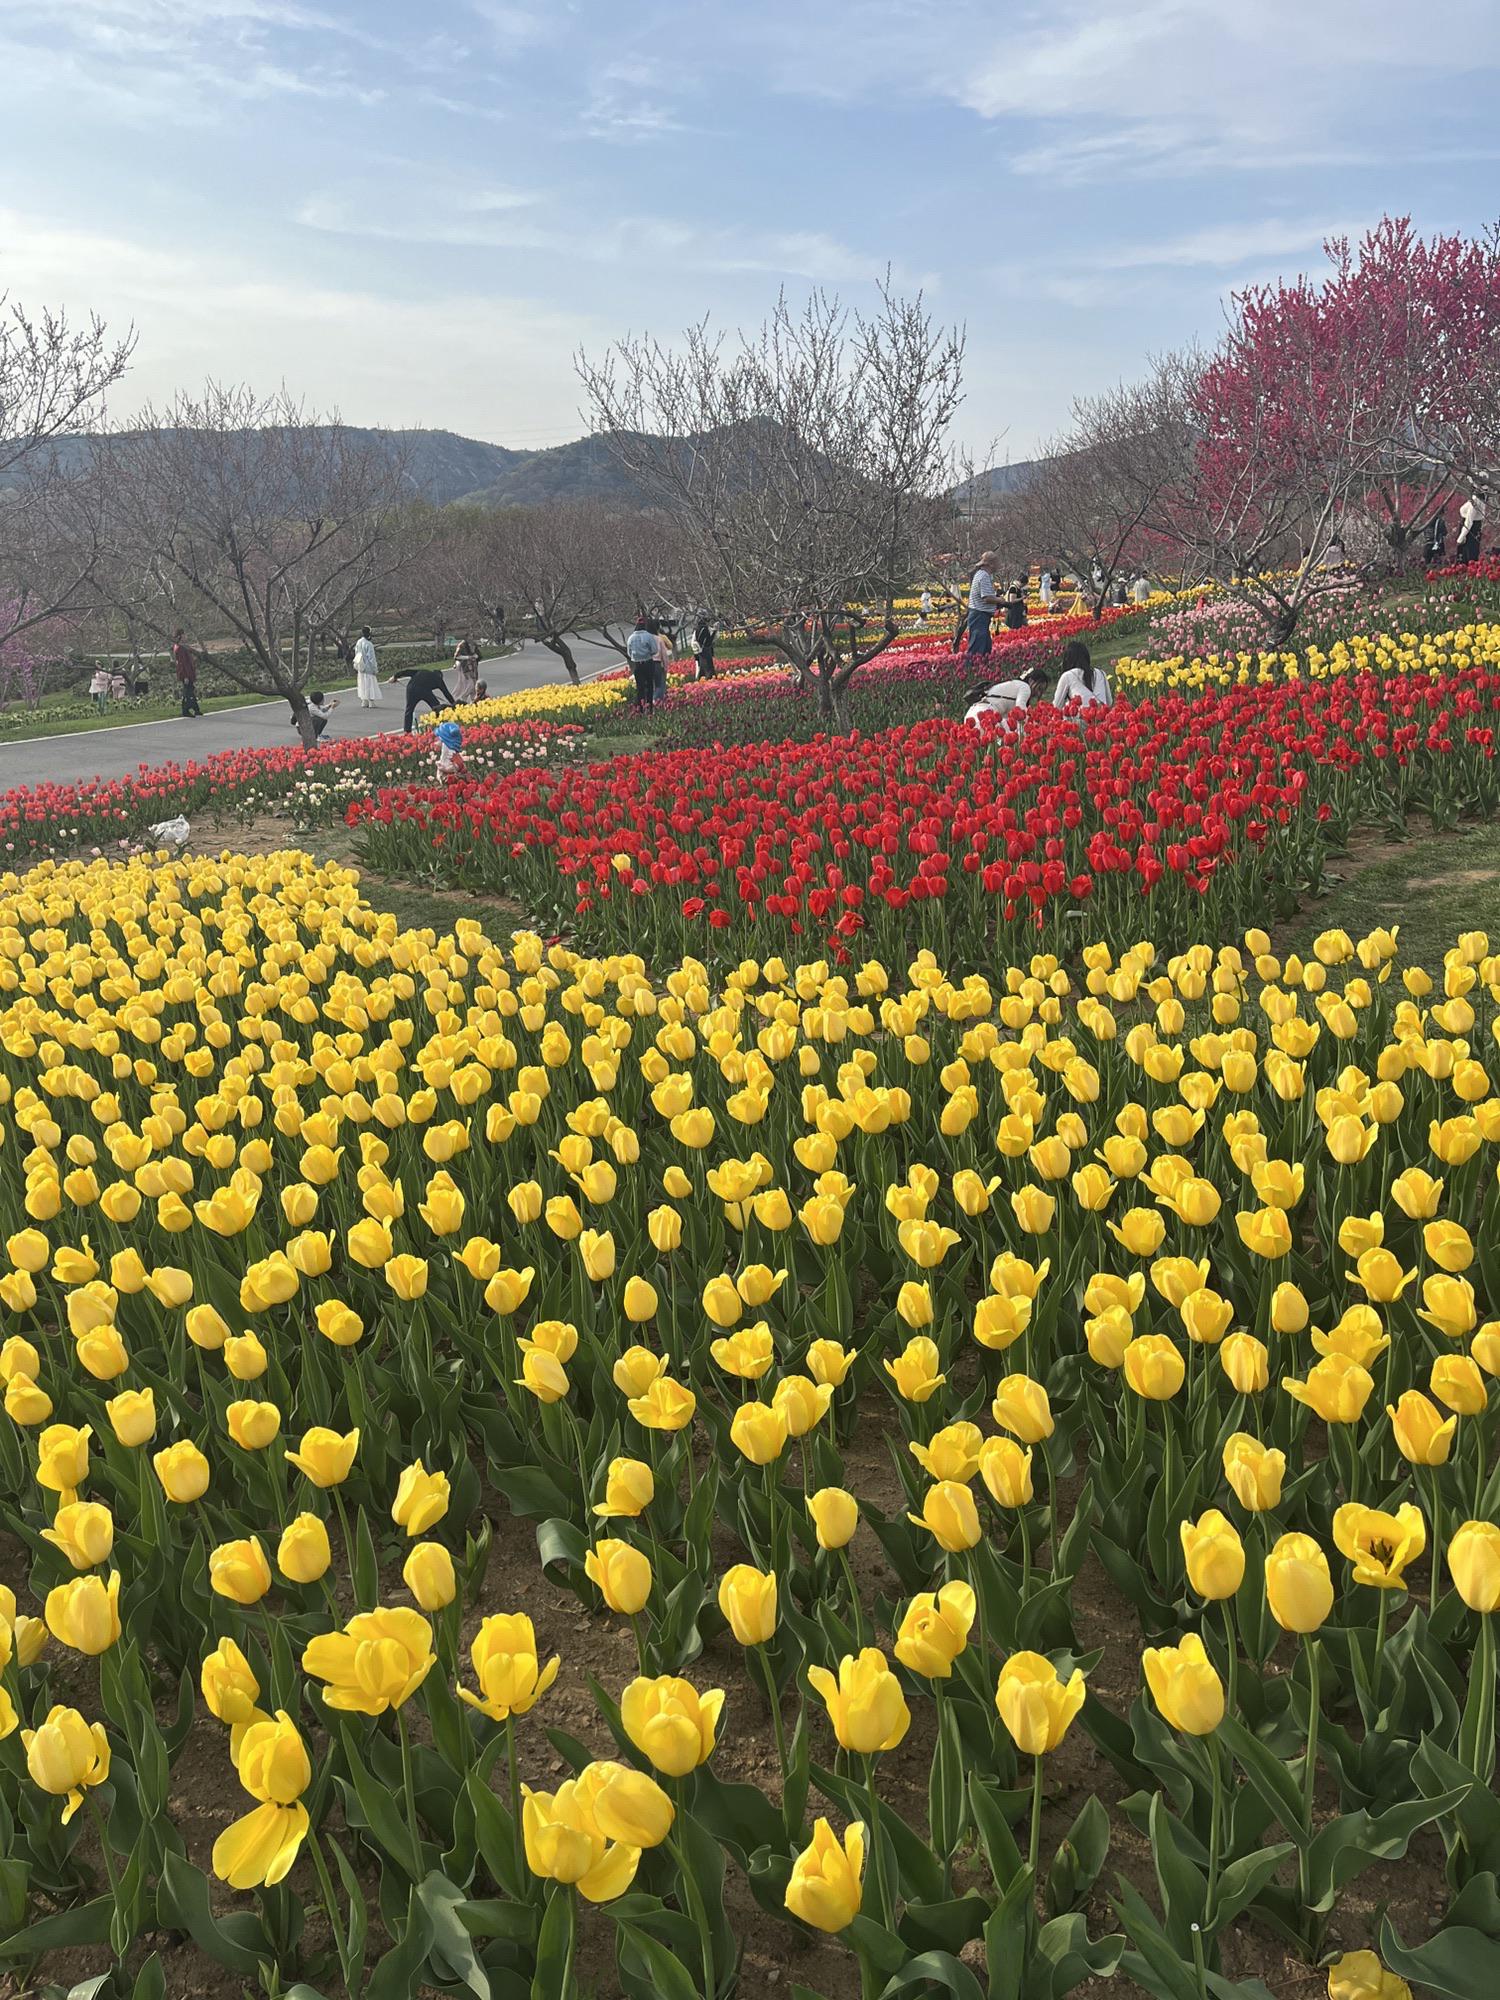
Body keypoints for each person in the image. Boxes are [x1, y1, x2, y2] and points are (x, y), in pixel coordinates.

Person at [964, 662, 1050, 727]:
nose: (1038, 693)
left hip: (972, 714)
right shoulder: (1025, 687)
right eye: (1039, 688)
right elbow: (1020, 709)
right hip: (986, 716)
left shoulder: (1013, 684)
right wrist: (1036, 724)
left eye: (1041, 691)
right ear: (1031, 680)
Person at [391, 662, 455, 732]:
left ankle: (407, 731)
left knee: (409, 710)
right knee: (436, 706)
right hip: (425, 691)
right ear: (440, 676)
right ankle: (439, 726)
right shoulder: (438, 679)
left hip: (411, 689)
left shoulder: (422, 671)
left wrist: (395, 676)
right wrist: (454, 705)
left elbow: (407, 672)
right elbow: (447, 694)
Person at [1051, 638, 1113, 710]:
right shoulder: (1101, 673)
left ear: (1067, 659)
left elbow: (1056, 707)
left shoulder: (1067, 676)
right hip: (1103, 717)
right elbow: (1109, 702)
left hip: (1079, 719)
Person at [967, 551, 1000, 657]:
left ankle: (979, 669)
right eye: (996, 562)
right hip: (979, 615)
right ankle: (972, 670)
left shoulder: (982, 574)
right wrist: (1001, 600)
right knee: (977, 649)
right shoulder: (984, 576)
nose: (998, 565)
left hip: (981, 615)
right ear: (990, 564)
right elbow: (986, 598)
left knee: (985, 648)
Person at [626, 616, 660, 711]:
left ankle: (640, 708)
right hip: (648, 663)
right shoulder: (648, 636)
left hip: (637, 665)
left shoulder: (631, 638)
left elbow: (629, 653)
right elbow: (654, 650)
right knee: (649, 686)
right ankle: (649, 707)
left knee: (640, 687)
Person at [172, 629, 201, 717]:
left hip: (189, 672)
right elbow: (182, 663)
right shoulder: (180, 648)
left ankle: (196, 709)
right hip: (186, 673)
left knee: (190, 690)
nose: (186, 636)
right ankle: (185, 710)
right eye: (184, 635)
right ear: (180, 636)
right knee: (187, 692)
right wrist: (185, 676)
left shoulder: (181, 647)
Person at [353, 627, 381, 707]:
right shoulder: (369, 644)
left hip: (361, 667)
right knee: (370, 684)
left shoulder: (359, 642)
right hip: (368, 668)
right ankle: (371, 702)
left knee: (362, 684)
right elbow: (372, 658)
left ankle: (364, 701)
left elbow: (356, 653)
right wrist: (375, 669)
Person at [1457, 490, 1487, 565]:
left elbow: (1469, 521)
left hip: (1470, 530)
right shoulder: (1480, 499)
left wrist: (1461, 537)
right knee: (1473, 552)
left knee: (1468, 555)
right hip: (1475, 528)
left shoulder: (1476, 500)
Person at [452, 635, 480, 705]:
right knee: (469, 685)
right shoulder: (461, 645)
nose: (471, 638)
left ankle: (474, 702)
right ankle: (462, 699)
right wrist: (468, 657)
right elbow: (457, 656)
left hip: (473, 668)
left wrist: (476, 656)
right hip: (465, 668)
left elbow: (478, 654)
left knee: (474, 686)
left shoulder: (474, 644)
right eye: (469, 636)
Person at [693, 611, 717, 680]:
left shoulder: (698, 628)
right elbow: (708, 642)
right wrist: (715, 631)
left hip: (700, 651)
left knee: (702, 670)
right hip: (706, 651)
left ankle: (701, 681)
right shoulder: (704, 628)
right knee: (708, 670)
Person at [653, 620, 672, 702]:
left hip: (647, 664)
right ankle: (657, 700)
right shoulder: (661, 637)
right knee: (660, 684)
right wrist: (666, 666)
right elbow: (670, 646)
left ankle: (653, 699)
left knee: (652, 684)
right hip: (658, 663)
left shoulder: (647, 638)